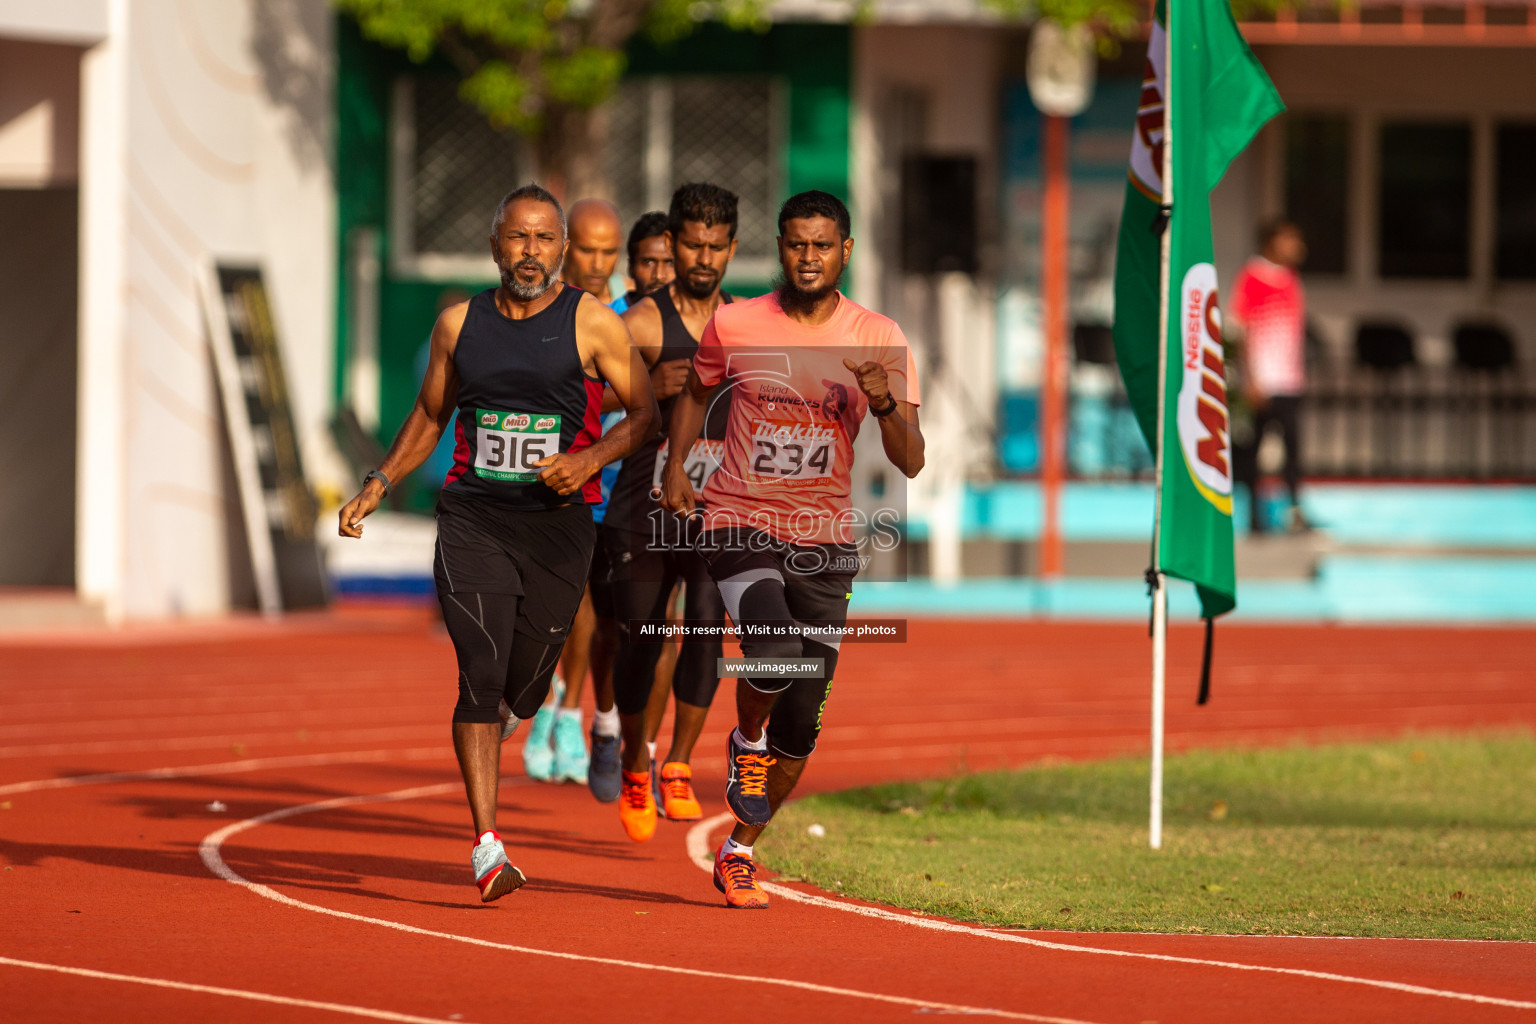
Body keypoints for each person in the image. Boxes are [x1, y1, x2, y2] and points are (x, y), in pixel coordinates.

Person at [337, 184, 657, 903]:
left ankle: (513, 710)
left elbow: (648, 416)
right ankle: (487, 845)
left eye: (545, 239)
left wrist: (587, 461)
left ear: (564, 251)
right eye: (518, 238)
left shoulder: (593, 325)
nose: (530, 252)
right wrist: (378, 483)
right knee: (479, 670)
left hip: (557, 527)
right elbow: (427, 415)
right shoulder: (460, 326)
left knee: (529, 683)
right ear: (494, 245)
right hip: (474, 517)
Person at [660, 190, 924, 909]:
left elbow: (911, 461)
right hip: (738, 519)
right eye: (796, 244)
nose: (808, 258)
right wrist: (680, 467)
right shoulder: (736, 323)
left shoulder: (879, 336)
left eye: (822, 245)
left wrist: (886, 403)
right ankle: (745, 741)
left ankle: (740, 850)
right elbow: (693, 390)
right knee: (774, 645)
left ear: (845, 251)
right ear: (780, 247)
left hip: (825, 540)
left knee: (802, 724)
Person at [607, 183, 741, 841]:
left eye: (717, 246)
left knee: (708, 627)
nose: (704, 257)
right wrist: (642, 393)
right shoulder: (638, 324)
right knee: (640, 639)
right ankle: (637, 760)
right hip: (644, 502)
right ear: (674, 245)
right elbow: (586, 400)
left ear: (733, 249)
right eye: (693, 244)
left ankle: (680, 763)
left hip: (718, 504)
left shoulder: (747, 324)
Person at [520, 198, 627, 786]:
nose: (597, 261)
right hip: (548, 483)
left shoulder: (624, 316)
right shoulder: (538, 309)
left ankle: (566, 715)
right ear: (564, 246)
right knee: (552, 607)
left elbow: (647, 398)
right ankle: (552, 701)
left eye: (608, 251)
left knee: (596, 612)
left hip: (615, 488)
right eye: (587, 248)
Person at [586, 211, 679, 802]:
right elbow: (580, 411)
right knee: (614, 629)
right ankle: (606, 721)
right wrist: (644, 388)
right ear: (631, 265)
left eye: (669, 262)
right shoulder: (608, 325)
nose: (660, 272)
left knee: (666, 627)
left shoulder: (705, 326)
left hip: (672, 503)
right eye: (648, 261)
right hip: (607, 499)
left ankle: (644, 744)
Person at [1230, 218, 1310, 535]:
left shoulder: (1291, 279)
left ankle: (1294, 513)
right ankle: (1254, 519)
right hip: (1261, 383)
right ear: (1271, 242)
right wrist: (1249, 379)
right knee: (1252, 452)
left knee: (1293, 451)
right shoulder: (1251, 277)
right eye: (1289, 238)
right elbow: (1240, 331)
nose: (1296, 246)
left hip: (1289, 381)